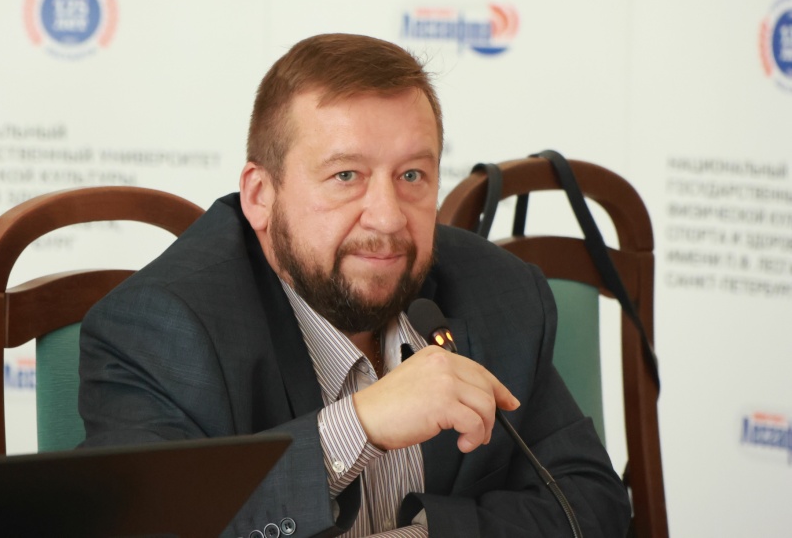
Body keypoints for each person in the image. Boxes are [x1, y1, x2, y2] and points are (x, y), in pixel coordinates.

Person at [79, 33, 631, 537]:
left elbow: (590, 505)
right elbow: (151, 526)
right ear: (260, 195)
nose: (388, 218)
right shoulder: (162, 326)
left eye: (412, 176)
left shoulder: (498, 292)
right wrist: (358, 427)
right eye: (346, 176)